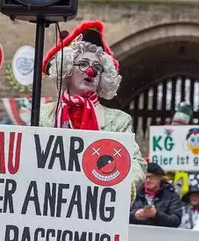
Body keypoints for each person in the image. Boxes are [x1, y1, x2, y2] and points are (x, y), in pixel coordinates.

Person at [40, 20, 145, 192]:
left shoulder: (118, 121)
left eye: (97, 67)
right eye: (83, 64)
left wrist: (122, 187)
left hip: (94, 200)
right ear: (67, 69)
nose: (91, 71)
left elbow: (135, 162)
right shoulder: (43, 115)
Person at [130, 163, 183, 228]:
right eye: (145, 177)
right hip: (136, 233)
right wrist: (135, 215)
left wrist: (156, 214)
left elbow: (176, 221)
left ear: (160, 177)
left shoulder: (172, 196)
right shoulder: (134, 194)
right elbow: (122, 215)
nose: (148, 180)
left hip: (161, 234)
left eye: (151, 177)